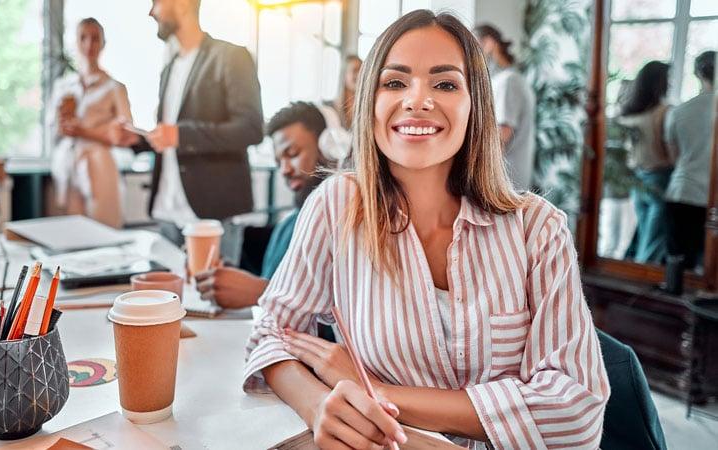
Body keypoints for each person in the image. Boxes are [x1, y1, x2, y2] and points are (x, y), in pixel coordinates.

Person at [243, 10, 609, 450]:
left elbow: (576, 413)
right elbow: (270, 334)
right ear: (370, 104)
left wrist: (376, 394)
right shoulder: (338, 205)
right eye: (395, 82)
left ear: (476, 105)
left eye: (445, 84)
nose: (417, 100)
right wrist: (318, 405)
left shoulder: (538, 228)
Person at [117, 0, 264, 246]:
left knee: (214, 286)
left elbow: (251, 128)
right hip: (166, 210)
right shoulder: (169, 68)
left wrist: (181, 136)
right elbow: (170, 138)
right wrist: (138, 141)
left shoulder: (231, 57)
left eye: (156, 3)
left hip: (213, 213)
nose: (151, 12)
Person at [193, 102, 332, 309]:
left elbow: (344, 321)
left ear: (327, 148)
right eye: (278, 162)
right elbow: (270, 283)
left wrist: (262, 292)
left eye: (292, 153)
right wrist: (234, 282)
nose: (284, 170)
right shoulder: (287, 226)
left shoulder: (344, 226)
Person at [48, 18, 132, 229]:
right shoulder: (63, 87)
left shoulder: (115, 88)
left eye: (95, 39)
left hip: (99, 164)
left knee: (104, 229)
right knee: (71, 233)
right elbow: (52, 130)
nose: (89, 44)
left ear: (103, 43)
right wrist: (63, 126)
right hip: (68, 165)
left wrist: (84, 131)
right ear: (75, 42)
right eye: (83, 38)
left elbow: (126, 135)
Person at [664, 51, 716, 269]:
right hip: (711, 196)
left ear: (697, 73)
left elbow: (673, 156)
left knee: (678, 265)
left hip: (682, 190)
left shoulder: (679, 111)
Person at [617, 61, 672, 265]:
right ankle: (640, 287)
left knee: (644, 234)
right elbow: (669, 151)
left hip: (638, 179)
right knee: (652, 241)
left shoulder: (629, 112)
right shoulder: (664, 112)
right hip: (659, 178)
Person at [474, 24, 535, 191]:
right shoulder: (504, 80)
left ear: (488, 43)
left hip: (505, 182)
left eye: (475, 48)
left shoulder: (509, 82)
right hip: (504, 181)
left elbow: (501, 136)